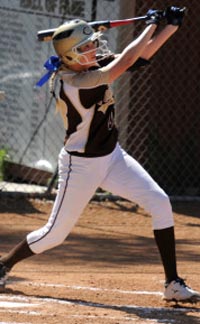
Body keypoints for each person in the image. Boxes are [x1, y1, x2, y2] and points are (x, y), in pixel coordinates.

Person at [0, 6, 199, 302]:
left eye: (93, 43)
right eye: (85, 47)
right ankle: (3, 266)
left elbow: (140, 57)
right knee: (55, 235)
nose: (93, 50)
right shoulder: (78, 84)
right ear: (70, 57)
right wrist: (148, 26)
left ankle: (172, 283)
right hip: (80, 166)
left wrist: (169, 27)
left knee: (159, 202)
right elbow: (128, 58)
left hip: (112, 157)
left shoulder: (88, 68)